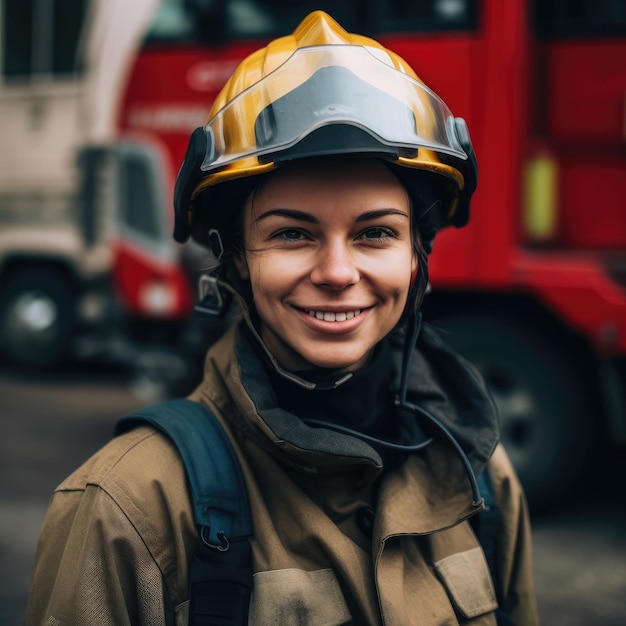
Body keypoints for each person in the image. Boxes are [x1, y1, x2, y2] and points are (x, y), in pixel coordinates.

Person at [26, 11, 538, 626]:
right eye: (293, 233)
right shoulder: (128, 509)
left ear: (415, 257)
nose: (338, 272)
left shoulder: (479, 474)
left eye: (376, 233)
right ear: (236, 260)